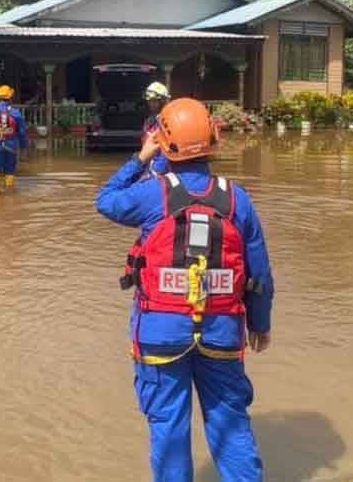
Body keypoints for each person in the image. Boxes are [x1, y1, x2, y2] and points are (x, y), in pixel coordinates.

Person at [96, 98, 274, 482]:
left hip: (160, 335)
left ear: (162, 142)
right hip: (221, 334)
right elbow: (259, 270)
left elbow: (106, 200)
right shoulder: (237, 198)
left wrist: (142, 158)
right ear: (214, 138)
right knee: (231, 424)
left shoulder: (152, 194)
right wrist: (259, 323)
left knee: (169, 429)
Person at [142, 81, 171, 178]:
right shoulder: (149, 122)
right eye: (149, 101)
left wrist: (155, 172)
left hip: (163, 173)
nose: (151, 104)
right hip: (150, 169)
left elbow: (167, 152)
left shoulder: (169, 121)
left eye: (154, 101)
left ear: (163, 101)